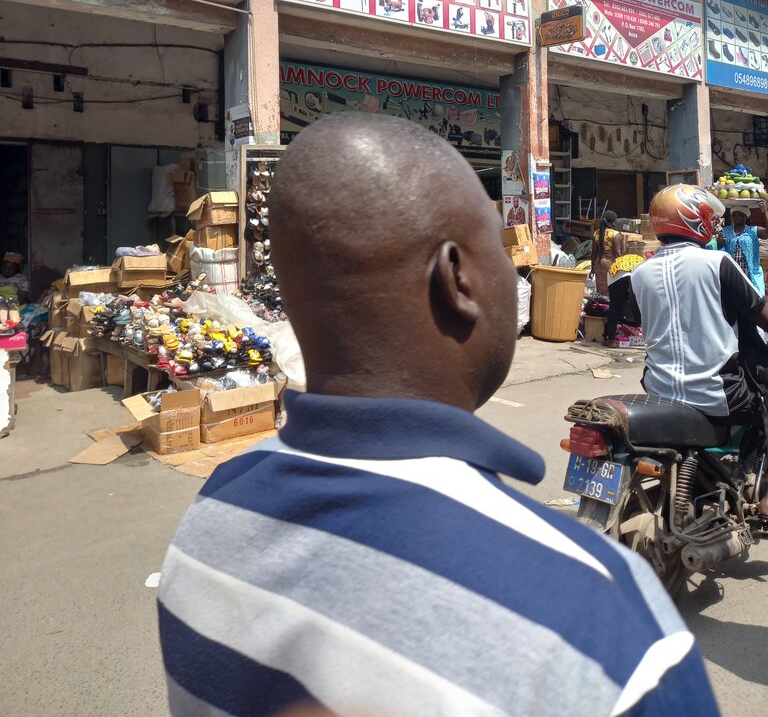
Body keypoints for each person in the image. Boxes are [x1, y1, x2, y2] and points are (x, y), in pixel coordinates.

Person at [158, 116, 718, 717]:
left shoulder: (215, 509)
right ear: (457, 278)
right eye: (500, 252)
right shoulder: (600, 611)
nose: (513, 271)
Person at [631, 185, 768, 438]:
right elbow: (761, 314)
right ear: (694, 219)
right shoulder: (717, 262)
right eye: (709, 215)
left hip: (658, 392)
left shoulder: (640, 273)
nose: (714, 222)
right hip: (722, 397)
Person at [719, 202, 768, 295]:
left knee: (753, 301)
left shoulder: (753, 230)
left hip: (750, 274)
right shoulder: (726, 231)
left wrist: (765, 212)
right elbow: (720, 250)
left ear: (746, 216)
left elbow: (766, 233)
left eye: (740, 215)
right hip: (733, 273)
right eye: (734, 214)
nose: (736, 217)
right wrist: (719, 244)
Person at [604, 253, 644, 348]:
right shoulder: (645, 263)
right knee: (638, 304)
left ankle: (611, 340)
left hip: (617, 276)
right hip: (634, 274)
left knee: (615, 306)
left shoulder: (621, 262)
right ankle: (644, 334)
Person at [590, 210, 623, 296]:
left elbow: (594, 252)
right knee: (610, 292)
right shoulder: (614, 234)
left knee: (601, 292)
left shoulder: (596, 233)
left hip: (599, 264)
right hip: (610, 264)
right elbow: (617, 253)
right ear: (613, 222)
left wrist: (592, 269)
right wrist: (622, 267)